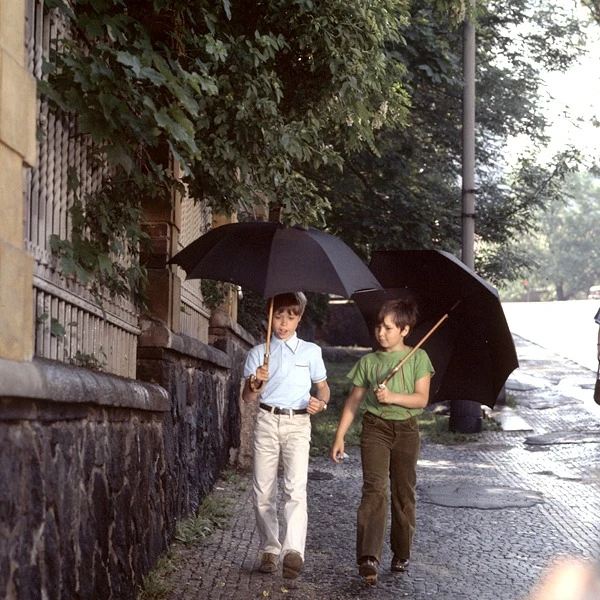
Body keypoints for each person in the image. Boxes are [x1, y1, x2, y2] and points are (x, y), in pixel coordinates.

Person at [330, 298, 434, 585]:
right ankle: (368, 557)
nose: (381, 332)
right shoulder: (369, 361)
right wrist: (339, 436)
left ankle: (401, 551)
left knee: (403, 493)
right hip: (375, 428)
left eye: (388, 327)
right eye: (379, 326)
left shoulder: (418, 358)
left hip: (406, 431)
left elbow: (421, 399)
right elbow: (354, 401)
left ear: (405, 330)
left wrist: (394, 397)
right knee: (374, 489)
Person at [242, 291, 330, 580]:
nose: (283, 323)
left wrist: (321, 402)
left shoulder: (310, 352)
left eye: (290, 317)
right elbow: (247, 398)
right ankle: (269, 547)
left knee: (295, 488)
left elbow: (323, 388)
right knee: (263, 490)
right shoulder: (258, 353)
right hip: (267, 420)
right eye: (278, 316)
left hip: (298, 423)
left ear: (299, 317)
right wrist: (256, 381)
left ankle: (293, 552)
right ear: (270, 315)